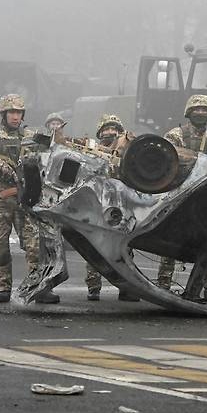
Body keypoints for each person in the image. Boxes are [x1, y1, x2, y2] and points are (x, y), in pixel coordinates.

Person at [0, 94, 60, 304]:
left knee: (36, 246)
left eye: (18, 112)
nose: (15, 116)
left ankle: (40, 287)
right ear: (4, 114)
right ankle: (2, 288)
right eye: (11, 112)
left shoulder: (31, 137)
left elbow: (52, 156)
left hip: (26, 199)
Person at [157, 95, 207, 299]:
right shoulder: (175, 136)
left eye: (204, 110)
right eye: (196, 109)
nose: (200, 113)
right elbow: (166, 164)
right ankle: (163, 285)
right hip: (179, 195)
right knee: (170, 241)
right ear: (188, 112)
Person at [86, 114, 140, 302]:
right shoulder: (90, 150)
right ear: (100, 133)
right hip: (98, 204)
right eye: (106, 129)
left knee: (124, 248)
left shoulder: (128, 150)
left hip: (122, 206)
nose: (110, 132)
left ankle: (127, 288)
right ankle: (93, 287)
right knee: (94, 245)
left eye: (114, 129)